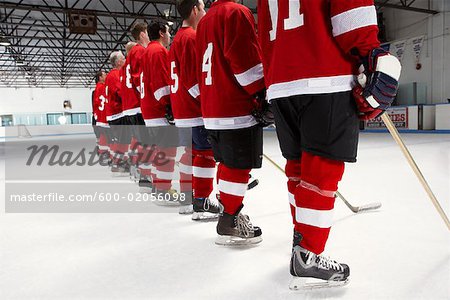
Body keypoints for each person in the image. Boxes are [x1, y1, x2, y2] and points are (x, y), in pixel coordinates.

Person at [257, 0, 401, 289]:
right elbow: (352, 15)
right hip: (325, 74)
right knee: (323, 166)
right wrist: (371, 54)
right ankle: (308, 253)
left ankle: (302, 241)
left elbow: (262, 32)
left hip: (280, 82)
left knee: (297, 167)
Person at [196, 0, 267, 245]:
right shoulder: (236, 12)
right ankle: (229, 218)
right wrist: (261, 92)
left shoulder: (205, 20)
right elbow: (245, 62)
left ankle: (230, 214)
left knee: (227, 164)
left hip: (213, 107)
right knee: (238, 167)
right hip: (234, 105)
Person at [140, 21, 181, 204]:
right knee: (166, 150)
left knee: (159, 150)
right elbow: (161, 83)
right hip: (157, 109)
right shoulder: (157, 51)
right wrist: (169, 106)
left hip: (149, 108)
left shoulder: (149, 51)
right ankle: (164, 188)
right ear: (161, 32)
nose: (170, 35)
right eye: (168, 31)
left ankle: (159, 185)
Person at [105, 50, 128, 174]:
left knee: (121, 140)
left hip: (114, 113)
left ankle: (119, 161)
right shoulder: (115, 75)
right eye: (123, 59)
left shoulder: (112, 75)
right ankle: (118, 163)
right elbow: (120, 92)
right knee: (122, 140)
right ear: (118, 62)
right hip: (117, 112)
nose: (125, 60)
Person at [93, 70, 110, 163]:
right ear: (100, 77)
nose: (106, 76)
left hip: (100, 117)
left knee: (103, 136)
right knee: (107, 137)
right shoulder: (103, 87)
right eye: (104, 75)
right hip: (104, 117)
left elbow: (95, 103)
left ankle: (102, 152)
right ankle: (104, 153)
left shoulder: (96, 88)